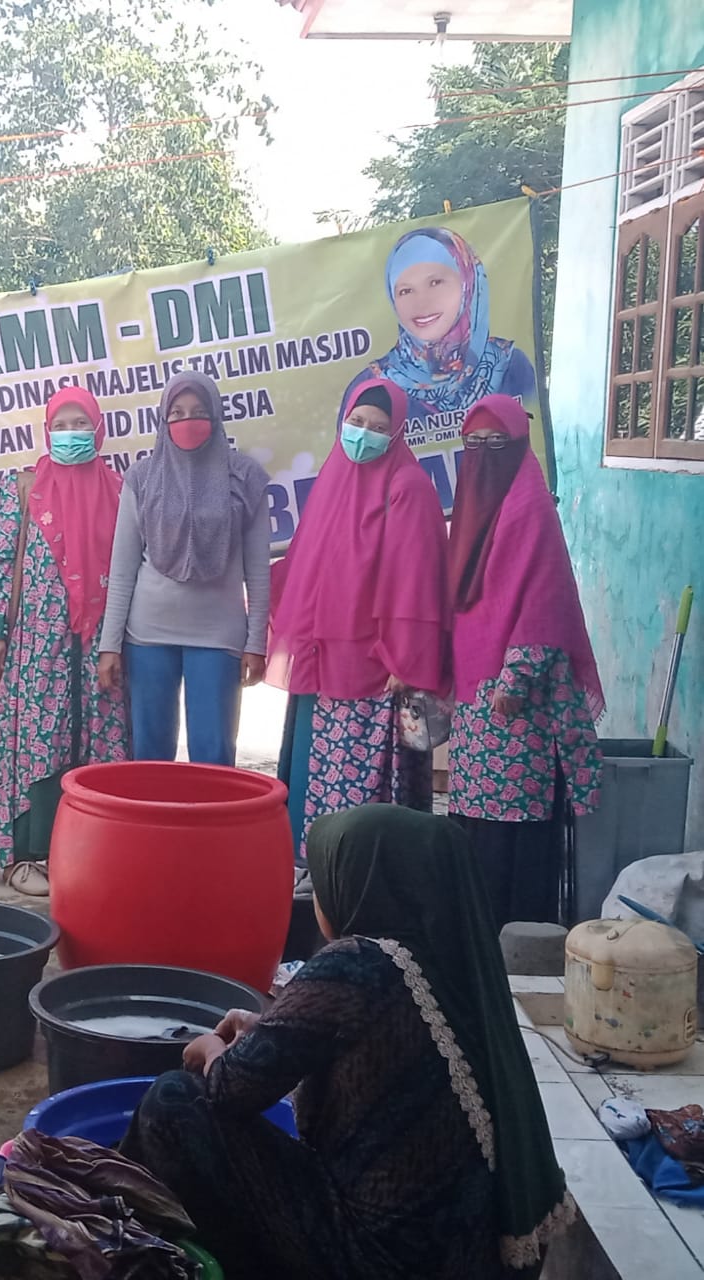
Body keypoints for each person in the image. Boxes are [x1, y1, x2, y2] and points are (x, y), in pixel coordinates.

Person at [121, 806, 573, 1280]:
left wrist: (210, 1050)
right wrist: (267, 1030)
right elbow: (373, 1052)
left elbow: (229, 1089)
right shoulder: (459, 967)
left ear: (358, 883)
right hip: (465, 1259)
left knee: (172, 1100)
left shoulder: (357, 964)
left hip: (377, 1262)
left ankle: (114, 1236)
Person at [269, 379, 450, 865]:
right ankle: (322, 869)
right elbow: (310, 561)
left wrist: (407, 658)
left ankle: (358, 876)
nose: (363, 434)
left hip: (375, 666)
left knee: (361, 782)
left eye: (377, 427)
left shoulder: (407, 487)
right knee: (322, 770)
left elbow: (417, 579)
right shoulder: (336, 475)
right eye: (356, 422)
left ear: (396, 434)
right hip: (324, 657)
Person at [448, 394, 603, 928]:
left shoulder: (529, 507)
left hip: (516, 701)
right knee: (478, 829)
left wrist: (514, 678)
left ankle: (519, 954)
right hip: (476, 696)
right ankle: (483, 946)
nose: (484, 454)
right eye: (474, 444)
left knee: (514, 838)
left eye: (498, 443)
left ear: (519, 447)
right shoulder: (474, 508)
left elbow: (543, 603)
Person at [0, 387, 129, 897]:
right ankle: (28, 854)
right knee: (39, 741)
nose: (70, 435)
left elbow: (132, 569)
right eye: (61, 425)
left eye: (81, 424)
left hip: (100, 645)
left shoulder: (120, 489)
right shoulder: (25, 490)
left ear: (99, 430)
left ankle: (91, 854)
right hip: (37, 645)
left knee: (95, 744)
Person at [98, 371, 270, 766]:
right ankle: (155, 829)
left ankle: (209, 830)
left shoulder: (245, 478)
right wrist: (110, 645)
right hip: (147, 635)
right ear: (162, 419)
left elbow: (258, 571)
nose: (186, 420)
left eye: (198, 411)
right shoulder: (141, 478)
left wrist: (256, 643)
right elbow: (122, 567)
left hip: (218, 636)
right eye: (175, 412)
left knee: (213, 754)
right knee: (150, 754)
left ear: (216, 416)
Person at [342, 227, 537, 424]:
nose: (422, 302)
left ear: (467, 285)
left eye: (435, 282)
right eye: (406, 291)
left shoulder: (509, 366)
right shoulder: (371, 384)